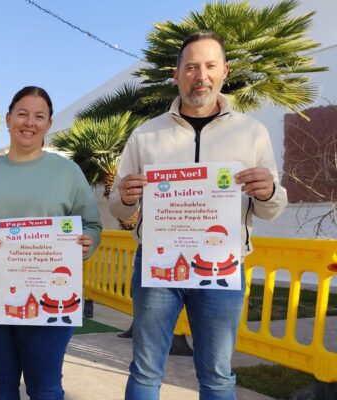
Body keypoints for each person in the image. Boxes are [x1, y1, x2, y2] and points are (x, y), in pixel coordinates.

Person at [109, 31, 287, 399]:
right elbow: (118, 204)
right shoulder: (146, 134)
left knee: (218, 375)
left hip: (222, 266)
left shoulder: (252, 133)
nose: (200, 75)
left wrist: (268, 191)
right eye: (190, 67)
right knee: (144, 371)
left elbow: (272, 207)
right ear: (176, 74)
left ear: (225, 70)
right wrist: (125, 198)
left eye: (209, 65)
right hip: (158, 267)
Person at [0, 86, 102, 399]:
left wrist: (88, 241)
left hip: (50, 294)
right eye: (22, 114)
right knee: (1, 383)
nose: (29, 122)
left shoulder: (68, 173)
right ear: (8, 119)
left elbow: (90, 224)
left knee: (45, 387)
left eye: (39, 116)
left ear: (48, 124)